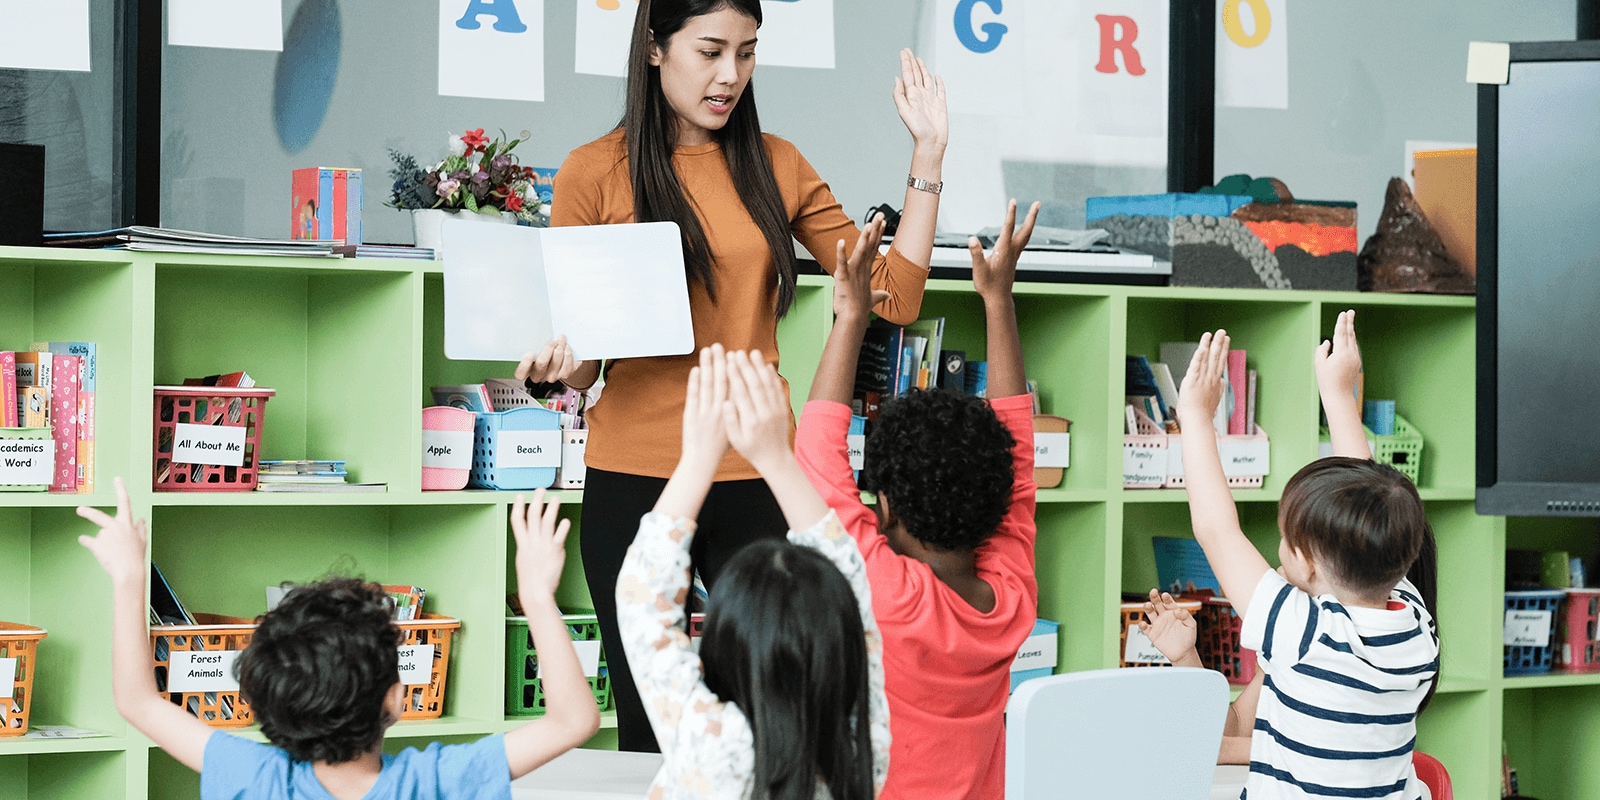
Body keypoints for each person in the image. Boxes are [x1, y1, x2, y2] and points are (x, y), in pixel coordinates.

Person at [516, 0, 947, 751]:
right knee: (650, 725)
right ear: (655, 49)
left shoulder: (776, 164)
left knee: (786, 714)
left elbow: (896, 295)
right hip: (635, 474)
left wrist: (929, 158)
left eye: (747, 54)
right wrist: (558, 366)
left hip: (757, 469)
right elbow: (586, 364)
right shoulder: (594, 172)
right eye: (711, 51)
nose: (731, 76)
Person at [76, 479, 599, 800]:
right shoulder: (439, 781)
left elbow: (137, 701)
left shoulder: (251, 778)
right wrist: (535, 596)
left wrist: (128, 579)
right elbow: (573, 721)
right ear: (395, 698)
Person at [791, 200, 1041, 800]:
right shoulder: (1011, 599)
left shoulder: (891, 596)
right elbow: (1021, 463)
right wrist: (999, 302)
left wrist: (850, 318)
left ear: (891, 510)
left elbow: (818, 459)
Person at [1173, 310, 1440, 800]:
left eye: (1283, 538)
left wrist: (1194, 416)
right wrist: (1338, 394)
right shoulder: (1413, 621)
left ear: (1311, 563)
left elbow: (1216, 530)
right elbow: (1369, 501)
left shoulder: (1306, 633)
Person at [615, 345, 888, 798]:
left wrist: (698, 458)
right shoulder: (858, 749)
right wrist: (776, 459)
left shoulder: (715, 749)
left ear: (721, 644)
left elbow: (643, 600)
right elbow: (853, 588)